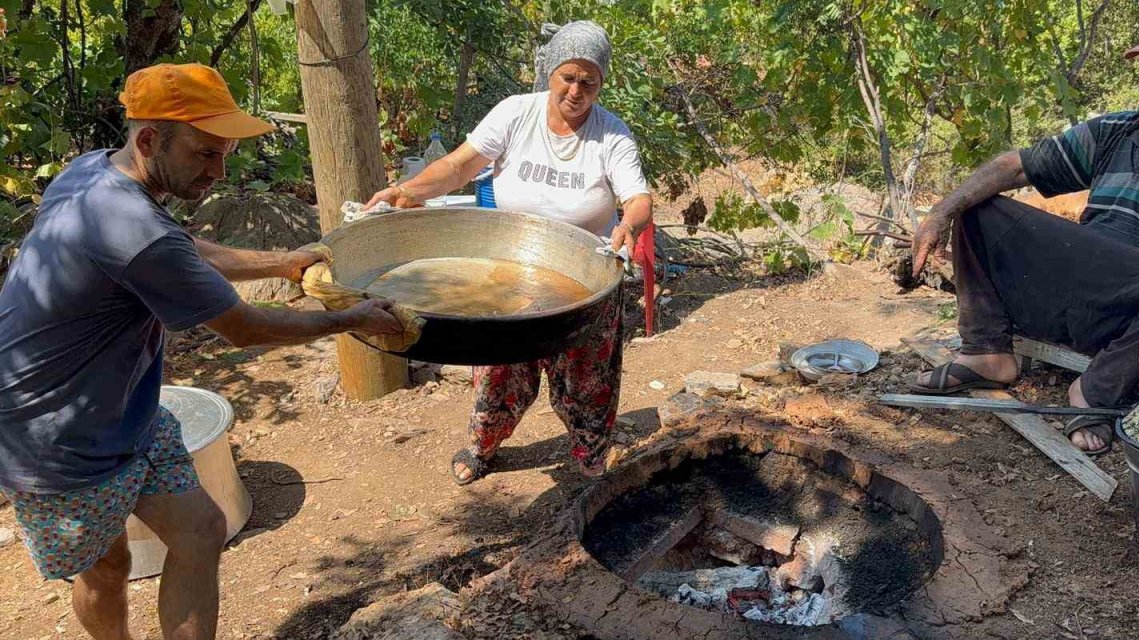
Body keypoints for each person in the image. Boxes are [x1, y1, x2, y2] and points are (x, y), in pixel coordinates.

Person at [0, 63, 403, 640]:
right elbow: (242, 329)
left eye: (225, 154)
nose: (219, 170)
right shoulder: (134, 228)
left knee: (201, 529)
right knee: (105, 565)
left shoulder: (89, 171)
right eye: (205, 153)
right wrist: (351, 317)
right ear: (147, 140)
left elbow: (181, 248)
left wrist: (281, 261)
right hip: (52, 436)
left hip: (125, 409)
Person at [908, 8, 1139, 453]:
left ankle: (1093, 391)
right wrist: (940, 213)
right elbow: (1016, 167)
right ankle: (986, 351)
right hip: (1073, 297)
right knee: (977, 208)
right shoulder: (1113, 129)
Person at [363, 20, 653, 484]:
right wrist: (406, 191)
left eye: (588, 81)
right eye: (568, 77)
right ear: (550, 72)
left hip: (584, 279)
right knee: (499, 373)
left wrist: (628, 224)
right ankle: (483, 445)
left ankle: (591, 453)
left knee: (588, 380)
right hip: (511, 272)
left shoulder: (611, 135)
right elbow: (460, 165)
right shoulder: (516, 113)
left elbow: (637, 198)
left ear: (600, 84)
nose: (576, 91)